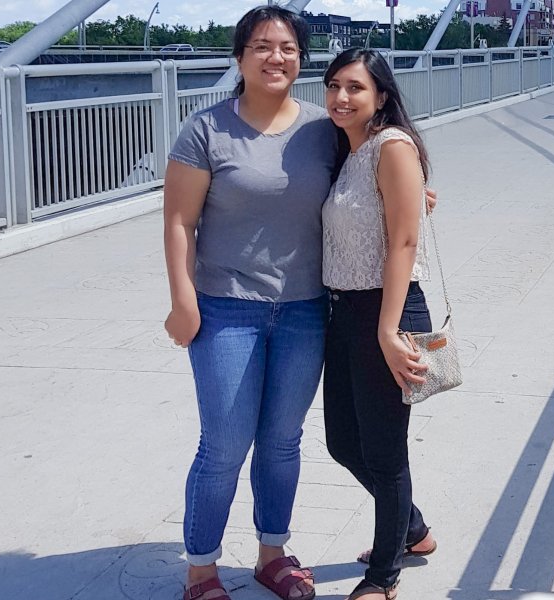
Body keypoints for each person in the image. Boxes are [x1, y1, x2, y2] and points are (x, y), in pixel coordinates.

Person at [163, 7, 330, 600]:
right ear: (240, 58)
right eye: (261, 46)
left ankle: (271, 554)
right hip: (226, 308)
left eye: (286, 47)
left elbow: (375, 176)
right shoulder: (205, 129)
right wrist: (183, 302)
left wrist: (417, 189)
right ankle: (201, 570)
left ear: (300, 59)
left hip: (306, 309)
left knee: (284, 440)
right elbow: (180, 222)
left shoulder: (322, 128)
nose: (275, 56)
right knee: (225, 443)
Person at [321, 48, 439, 600]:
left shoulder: (391, 146)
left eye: (355, 88)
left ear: (382, 97)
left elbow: (405, 242)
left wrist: (389, 331)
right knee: (343, 441)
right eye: (333, 86)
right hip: (344, 310)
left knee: (386, 454)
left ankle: (383, 576)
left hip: (385, 309)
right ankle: (410, 528)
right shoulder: (349, 150)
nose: (341, 98)